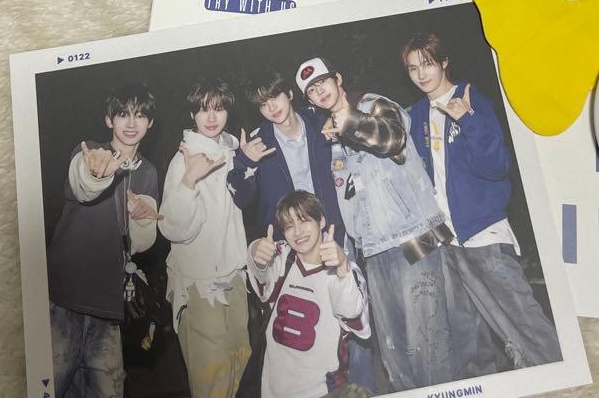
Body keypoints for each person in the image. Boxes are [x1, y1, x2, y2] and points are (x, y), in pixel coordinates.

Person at [402, 33, 562, 373]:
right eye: (413, 68)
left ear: (444, 62)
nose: (421, 74)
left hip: (484, 233)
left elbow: (497, 166)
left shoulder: (471, 99)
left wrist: (467, 120)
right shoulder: (416, 113)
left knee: (525, 323)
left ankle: (561, 376)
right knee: (473, 335)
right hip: (446, 240)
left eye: (427, 64)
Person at [298, 55, 457, 391]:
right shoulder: (333, 138)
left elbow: (393, 138)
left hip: (415, 239)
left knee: (429, 346)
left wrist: (351, 122)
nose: (319, 91)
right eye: (311, 90)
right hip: (373, 251)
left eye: (323, 82)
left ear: (338, 79)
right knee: (394, 352)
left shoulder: (373, 104)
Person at [46, 84, 161, 398]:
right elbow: (82, 187)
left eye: (140, 115)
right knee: (48, 387)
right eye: (123, 114)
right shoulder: (88, 152)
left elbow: (140, 245)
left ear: (150, 123)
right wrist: (98, 175)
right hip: (64, 297)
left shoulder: (148, 173)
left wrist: (143, 220)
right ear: (109, 120)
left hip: (109, 307)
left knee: (109, 391)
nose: (132, 123)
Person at [159, 79, 250, 398]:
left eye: (219, 108)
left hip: (233, 275)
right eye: (203, 109)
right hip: (198, 283)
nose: (211, 117)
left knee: (239, 358)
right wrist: (189, 180)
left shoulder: (232, 152)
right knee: (211, 376)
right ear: (192, 114)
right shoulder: (184, 159)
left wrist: (248, 161)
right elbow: (172, 229)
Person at [247, 191, 371, 398]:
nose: (297, 232)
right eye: (289, 226)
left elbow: (351, 314)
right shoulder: (282, 259)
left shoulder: (347, 270)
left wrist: (342, 268)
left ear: (321, 221)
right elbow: (260, 270)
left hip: (323, 390)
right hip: (275, 390)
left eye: (304, 220)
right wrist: (255, 251)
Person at [227, 72, 345, 247]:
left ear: (289, 94)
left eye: (274, 97)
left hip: (332, 235)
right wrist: (246, 162)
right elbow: (242, 199)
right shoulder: (258, 144)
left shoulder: (320, 124)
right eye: (263, 104)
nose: (271, 107)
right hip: (288, 245)